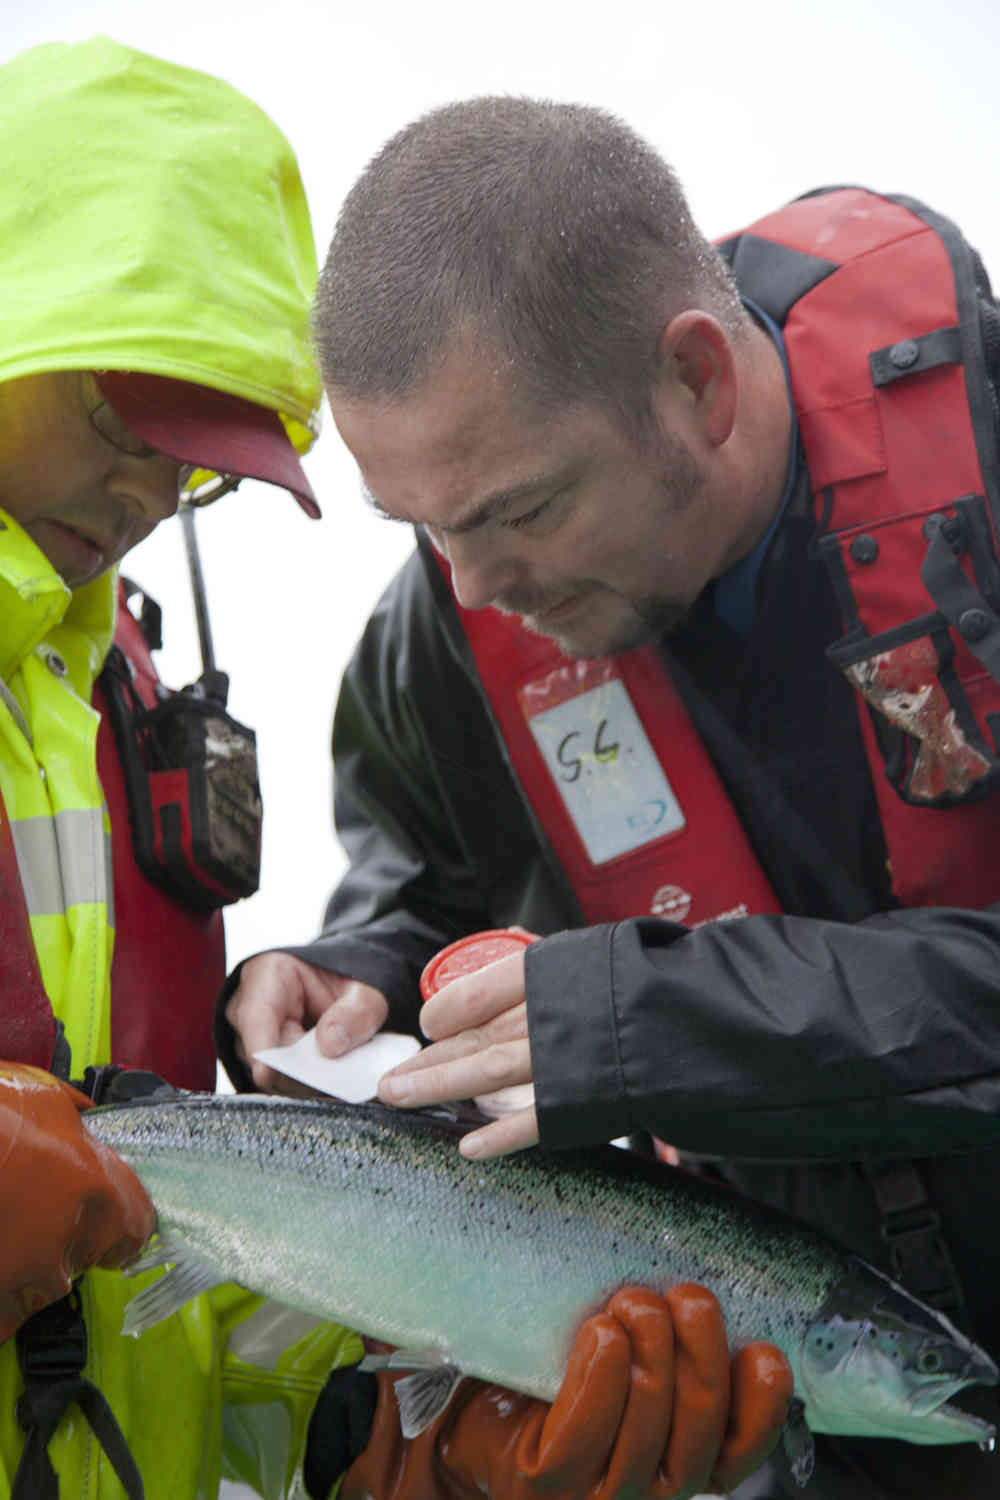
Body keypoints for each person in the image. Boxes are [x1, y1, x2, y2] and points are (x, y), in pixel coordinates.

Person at [0, 48, 791, 1500]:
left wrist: (415, 1442)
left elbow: (175, 1237)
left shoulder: (123, 722)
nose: (143, 497)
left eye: (195, 464)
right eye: (123, 422)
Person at [221, 97, 1000, 1498]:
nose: (466, 585)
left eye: (517, 512)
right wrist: (354, 967)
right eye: (421, 528)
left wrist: (654, 1022)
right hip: (800, 1430)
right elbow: (420, 869)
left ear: (698, 380)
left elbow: (621, 1017)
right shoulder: (454, 621)